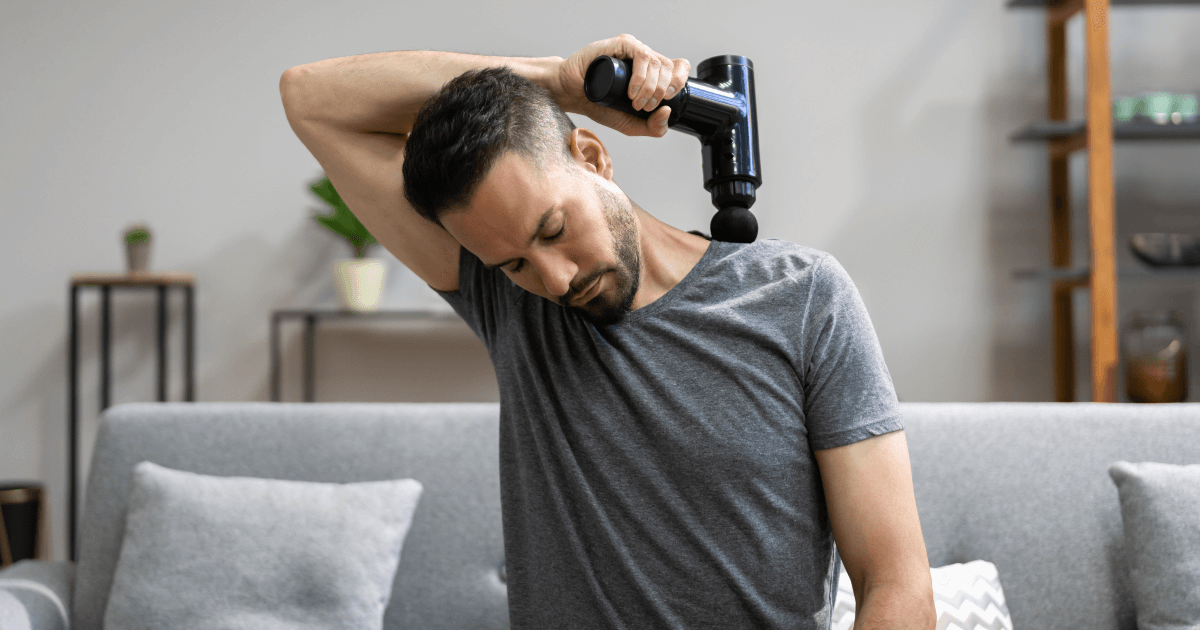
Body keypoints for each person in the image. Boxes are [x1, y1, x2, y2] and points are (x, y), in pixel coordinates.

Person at [280, 34, 936, 630]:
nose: (555, 279)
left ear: (592, 156)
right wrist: (559, 82)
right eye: (513, 263)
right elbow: (310, 98)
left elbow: (896, 583)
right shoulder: (510, 306)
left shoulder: (803, 297)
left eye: (553, 230)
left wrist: (565, 94)